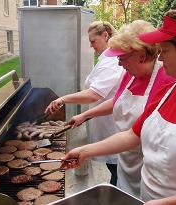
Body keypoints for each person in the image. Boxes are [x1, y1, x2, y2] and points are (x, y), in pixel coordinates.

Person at [62, 6, 176, 205]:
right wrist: (85, 151)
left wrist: (168, 202)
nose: (160, 58)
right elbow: (132, 135)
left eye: (165, 51)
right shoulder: (167, 92)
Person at [68, 20, 175, 197]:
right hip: (124, 159)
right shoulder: (129, 75)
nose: (119, 64)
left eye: (122, 58)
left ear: (141, 56)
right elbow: (117, 101)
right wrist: (85, 115)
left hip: (150, 167)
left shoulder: (168, 79)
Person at [45, 21, 124, 186]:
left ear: (105, 35)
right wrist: (84, 116)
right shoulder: (105, 59)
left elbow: (94, 94)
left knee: (117, 171)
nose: (90, 45)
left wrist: (63, 99)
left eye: (93, 41)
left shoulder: (111, 62)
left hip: (112, 127)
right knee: (113, 169)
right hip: (103, 123)